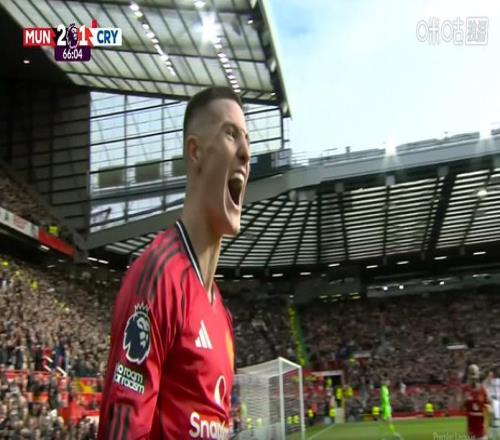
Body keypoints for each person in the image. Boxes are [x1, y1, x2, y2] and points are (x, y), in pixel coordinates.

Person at [97, 86, 250, 438]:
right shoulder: (159, 279)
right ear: (195, 152)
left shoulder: (221, 314)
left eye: (248, 139)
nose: (245, 153)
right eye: (231, 134)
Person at [463, 364, 491, 440]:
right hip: (471, 431)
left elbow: (488, 406)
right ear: (468, 375)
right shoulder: (465, 389)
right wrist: (464, 400)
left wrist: (488, 408)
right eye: (471, 373)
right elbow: (461, 408)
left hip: (482, 431)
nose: (473, 376)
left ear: (478, 374)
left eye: (474, 373)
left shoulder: (483, 390)